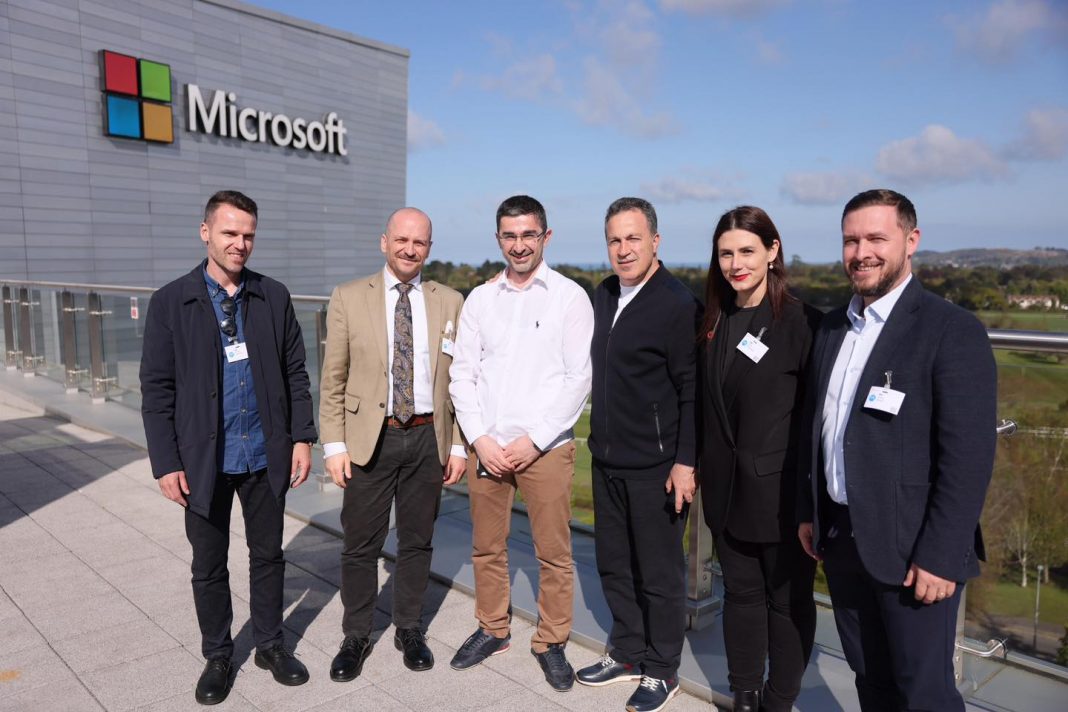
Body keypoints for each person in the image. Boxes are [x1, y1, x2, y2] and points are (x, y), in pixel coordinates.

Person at [797, 189, 997, 712]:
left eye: (876, 238)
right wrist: (809, 511)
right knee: (870, 680)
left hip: (914, 552)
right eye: (850, 240)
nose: (861, 252)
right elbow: (819, 429)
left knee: (925, 693)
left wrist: (941, 556)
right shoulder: (833, 328)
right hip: (841, 538)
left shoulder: (951, 330)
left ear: (911, 241)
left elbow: (968, 459)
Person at [140, 190, 316, 706]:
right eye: (230, 233)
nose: (240, 243)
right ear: (205, 233)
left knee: (269, 556)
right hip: (204, 459)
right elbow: (157, 390)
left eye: (248, 235)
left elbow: (295, 373)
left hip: (265, 452)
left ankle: (271, 645)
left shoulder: (273, 296)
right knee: (209, 564)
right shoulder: (171, 302)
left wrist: (302, 437)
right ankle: (218, 655)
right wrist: (166, 462)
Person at [447, 195, 593, 692]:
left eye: (529, 234)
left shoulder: (570, 297)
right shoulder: (480, 299)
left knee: (554, 552)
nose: (519, 245)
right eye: (509, 236)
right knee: (487, 547)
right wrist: (479, 438)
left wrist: (535, 440)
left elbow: (578, 378)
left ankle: (551, 641)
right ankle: (493, 628)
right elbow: (462, 375)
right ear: (498, 239)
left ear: (546, 237)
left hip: (545, 449)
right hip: (488, 446)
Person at [318, 208, 467, 681]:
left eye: (419, 242)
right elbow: (333, 378)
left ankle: (409, 627)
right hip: (370, 439)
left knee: (417, 541)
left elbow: (462, 381)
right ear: (384, 242)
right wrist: (334, 445)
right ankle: (356, 635)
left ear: (429, 248)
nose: (409, 249)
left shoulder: (451, 301)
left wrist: (458, 445)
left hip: (428, 436)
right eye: (401, 240)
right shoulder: (348, 297)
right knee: (360, 545)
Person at [578, 197, 700, 712]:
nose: (623, 249)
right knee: (613, 563)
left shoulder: (677, 303)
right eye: (615, 240)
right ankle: (627, 652)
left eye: (633, 238)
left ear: (655, 241)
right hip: (606, 459)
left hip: (656, 467)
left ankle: (662, 669)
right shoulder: (605, 294)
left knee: (659, 574)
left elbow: (692, 390)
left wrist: (685, 461)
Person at [697, 207, 820, 712]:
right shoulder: (712, 319)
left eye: (747, 251)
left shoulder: (802, 323)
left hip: (780, 496)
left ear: (773, 251)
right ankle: (744, 694)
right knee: (741, 596)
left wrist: (812, 502)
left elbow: (815, 420)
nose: (736, 264)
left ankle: (779, 699)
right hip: (725, 492)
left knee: (787, 603)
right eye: (726, 253)